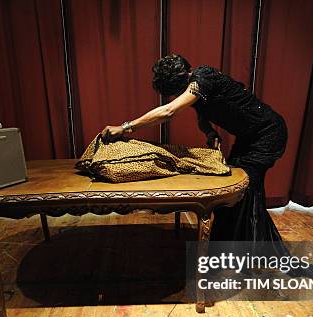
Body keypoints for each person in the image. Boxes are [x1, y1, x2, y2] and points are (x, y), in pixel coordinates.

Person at [100, 54, 288, 248]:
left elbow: (169, 111)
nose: (180, 94)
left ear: (185, 76)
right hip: (248, 137)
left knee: (245, 191)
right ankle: (232, 246)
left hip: (268, 132)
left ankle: (253, 249)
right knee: (234, 193)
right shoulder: (195, 88)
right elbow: (202, 117)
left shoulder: (203, 77)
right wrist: (209, 132)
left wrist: (125, 127)